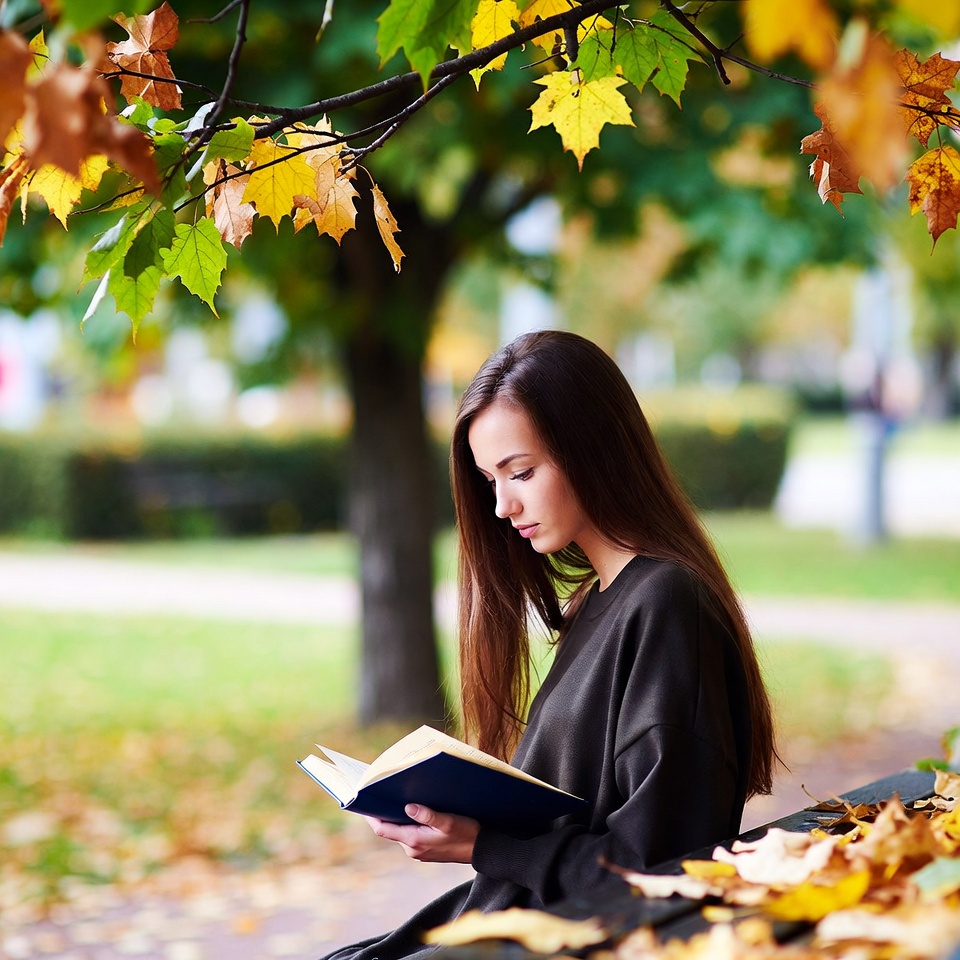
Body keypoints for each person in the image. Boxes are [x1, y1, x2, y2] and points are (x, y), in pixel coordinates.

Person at [320, 330, 777, 960]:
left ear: (594, 449)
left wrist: (484, 844)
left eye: (522, 472)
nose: (503, 505)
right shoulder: (593, 601)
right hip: (518, 926)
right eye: (490, 480)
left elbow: (658, 869)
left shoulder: (668, 606)